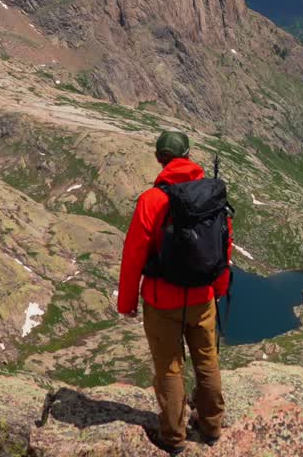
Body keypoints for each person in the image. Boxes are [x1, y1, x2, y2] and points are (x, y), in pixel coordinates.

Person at [117, 131, 231, 454]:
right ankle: (211, 427)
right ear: (189, 156)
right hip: (202, 296)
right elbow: (224, 245)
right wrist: (218, 288)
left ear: (159, 158)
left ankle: (174, 438)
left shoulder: (151, 201)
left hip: (161, 299)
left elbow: (134, 255)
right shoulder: (210, 193)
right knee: (207, 360)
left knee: (170, 367)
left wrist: (127, 303)